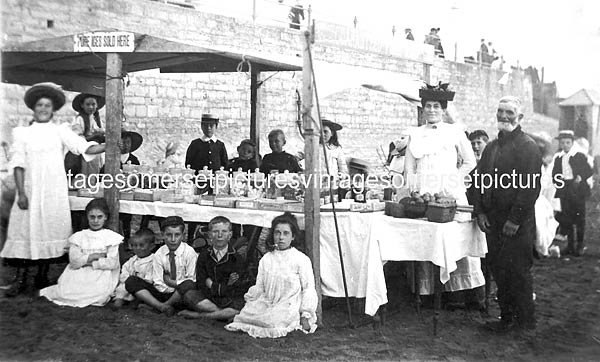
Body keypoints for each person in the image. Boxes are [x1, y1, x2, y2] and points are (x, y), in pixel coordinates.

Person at [1, 82, 106, 296]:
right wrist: (21, 193)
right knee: (24, 231)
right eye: (39, 105)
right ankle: (20, 280)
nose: (43, 109)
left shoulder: (61, 131)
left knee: (49, 229)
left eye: (47, 106)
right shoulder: (22, 133)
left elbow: (83, 147)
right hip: (30, 190)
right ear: (33, 107)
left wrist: (108, 145)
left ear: (53, 109)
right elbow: (18, 165)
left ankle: (42, 277)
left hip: (52, 191)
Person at [404, 82, 484, 300]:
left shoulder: (455, 132)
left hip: (449, 193)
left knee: (456, 240)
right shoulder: (415, 134)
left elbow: (469, 161)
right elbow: (409, 166)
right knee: (428, 240)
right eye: (428, 106)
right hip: (425, 193)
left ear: (443, 109)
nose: (431, 110)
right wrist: (414, 188)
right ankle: (429, 292)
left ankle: (464, 292)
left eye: (436, 106)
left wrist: (453, 180)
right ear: (423, 109)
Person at [472, 96, 542, 333]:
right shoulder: (491, 147)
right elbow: (478, 180)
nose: (503, 116)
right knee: (499, 269)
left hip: (517, 223)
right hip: (493, 221)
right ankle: (506, 319)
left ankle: (525, 324)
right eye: (500, 111)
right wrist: (479, 211)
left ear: (519, 117)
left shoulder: (528, 147)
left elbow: (530, 188)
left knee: (518, 271)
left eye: (509, 112)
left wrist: (515, 219)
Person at [225, 212, 318, 338]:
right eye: (277, 233)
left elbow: (308, 288)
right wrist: (252, 303)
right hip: (267, 301)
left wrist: (305, 314)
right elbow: (260, 286)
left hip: (288, 304)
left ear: (293, 237)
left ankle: (273, 319)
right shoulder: (266, 259)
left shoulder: (301, 259)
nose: (281, 238)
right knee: (246, 316)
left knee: (274, 323)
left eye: (286, 233)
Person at [39, 198, 122, 307]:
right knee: (64, 292)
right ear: (87, 217)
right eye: (92, 217)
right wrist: (94, 256)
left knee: (98, 294)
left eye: (99, 217)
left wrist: (89, 262)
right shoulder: (79, 237)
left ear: (105, 217)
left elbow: (112, 263)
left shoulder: (111, 237)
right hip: (78, 272)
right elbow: (74, 262)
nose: (95, 221)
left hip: (101, 273)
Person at [178, 216, 251, 320]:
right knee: (189, 295)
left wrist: (212, 284)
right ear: (209, 235)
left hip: (229, 299)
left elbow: (236, 287)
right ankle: (223, 314)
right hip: (208, 297)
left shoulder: (236, 258)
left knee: (242, 304)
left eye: (224, 231)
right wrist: (225, 284)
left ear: (230, 235)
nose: (220, 235)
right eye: (215, 231)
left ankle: (200, 315)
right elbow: (201, 282)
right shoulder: (204, 255)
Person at [125, 216, 197, 316]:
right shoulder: (159, 253)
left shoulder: (189, 252)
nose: (173, 239)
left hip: (179, 294)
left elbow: (191, 279)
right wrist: (165, 290)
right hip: (162, 292)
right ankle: (160, 306)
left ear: (183, 235)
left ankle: (161, 306)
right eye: (168, 235)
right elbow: (157, 281)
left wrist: (172, 283)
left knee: (188, 284)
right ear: (162, 235)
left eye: (177, 235)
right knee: (131, 281)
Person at [552, 130, 593, 256]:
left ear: (572, 143)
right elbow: (555, 174)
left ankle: (579, 245)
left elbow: (588, 170)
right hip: (565, 189)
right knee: (567, 218)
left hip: (577, 189)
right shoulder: (558, 158)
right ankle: (570, 245)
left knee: (579, 218)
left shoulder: (579, 156)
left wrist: (581, 177)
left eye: (567, 142)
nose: (565, 145)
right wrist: (559, 182)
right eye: (562, 143)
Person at [112, 228, 156, 309]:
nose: (137, 248)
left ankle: (143, 303)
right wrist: (127, 278)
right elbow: (124, 271)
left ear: (151, 247)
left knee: (143, 291)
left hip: (144, 286)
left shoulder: (153, 260)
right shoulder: (132, 260)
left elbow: (150, 279)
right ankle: (119, 301)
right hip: (130, 284)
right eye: (134, 245)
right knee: (122, 287)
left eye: (141, 245)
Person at [65, 93, 105, 177]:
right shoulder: (79, 119)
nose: (91, 107)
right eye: (87, 104)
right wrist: (95, 136)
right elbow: (78, 139)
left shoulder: (96, 120)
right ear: (82, 105)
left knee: (93, 175)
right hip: (84, 152)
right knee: (84, 175)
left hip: (96, 152)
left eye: (93, 104)